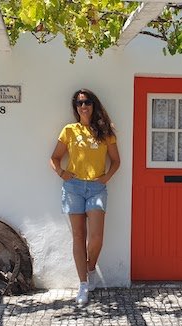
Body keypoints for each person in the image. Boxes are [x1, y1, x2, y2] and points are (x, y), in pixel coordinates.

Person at [50, 89, 120, 306]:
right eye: (79, 103)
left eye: (87, 102)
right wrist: (62, 173)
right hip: (73, 188)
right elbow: (54, 157)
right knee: (79, 237)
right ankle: (83, 284)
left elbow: (116, 161)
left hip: (97, 188)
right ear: (76, 107)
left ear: (93, 105)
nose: (83, 106)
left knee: (96, 238)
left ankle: (90, 268)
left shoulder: (105, 131)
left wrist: (105, 178)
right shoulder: (70, 130)